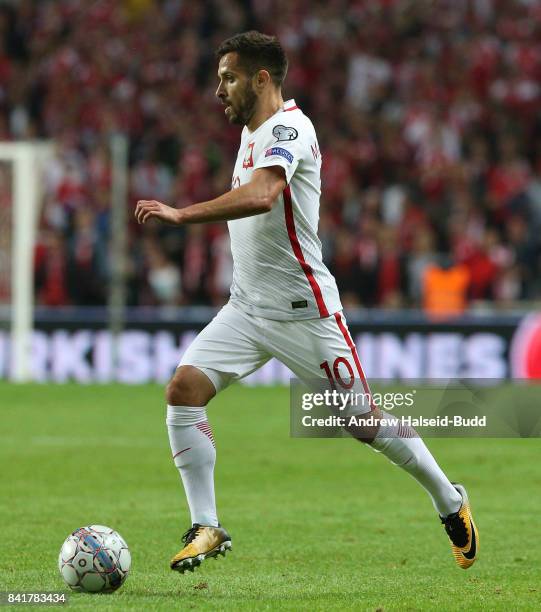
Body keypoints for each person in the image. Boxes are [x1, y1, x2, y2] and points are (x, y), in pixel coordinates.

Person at [135, 31, 478, 574]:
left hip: (305, 313)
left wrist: (182, 214)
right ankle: (207, 524)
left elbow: (262, 195)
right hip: (246, 310)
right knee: (183, 390)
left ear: (261, 78)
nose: (218, 90)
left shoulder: (289, 128)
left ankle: (448, 499)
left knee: (363, 422)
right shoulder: (251, 133)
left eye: (228, 78)